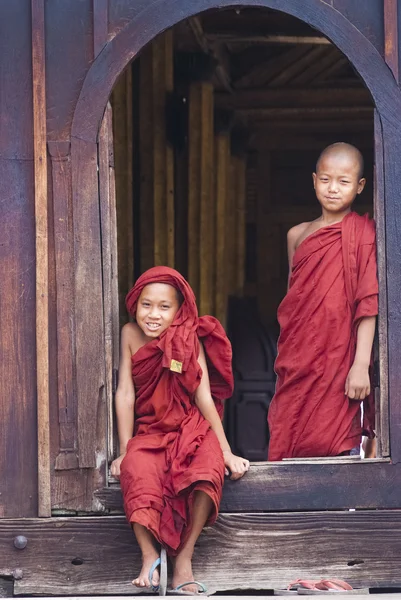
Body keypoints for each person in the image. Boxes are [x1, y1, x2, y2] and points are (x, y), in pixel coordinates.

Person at [111, 266, 249, 592]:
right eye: (146, 305)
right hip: (149, 431)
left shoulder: (188, 339)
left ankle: (184, 559)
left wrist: (226, 450)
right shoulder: (130, 334)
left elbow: (203, 396)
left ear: (179, 310)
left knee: (208, 468)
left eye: (164, 307)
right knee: (136, 468)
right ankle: (149, 556)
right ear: (135, 304)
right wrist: (124, 448)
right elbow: (126, 393)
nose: (153, 315)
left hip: (189, 427)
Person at [268, 142, 378, 460]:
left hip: (340, 357)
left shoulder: (364, 233)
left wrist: (360, 365)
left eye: (343, 182)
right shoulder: (297, 235)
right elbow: (296, 302)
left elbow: (367, 301)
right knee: (288, 426)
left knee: (334, 436)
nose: (333, 189)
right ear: (314, 180)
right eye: (326, 179)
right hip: (298, 355)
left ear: (359, 186)